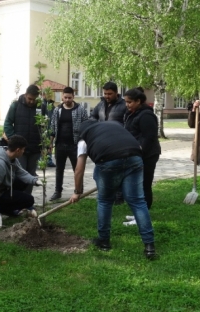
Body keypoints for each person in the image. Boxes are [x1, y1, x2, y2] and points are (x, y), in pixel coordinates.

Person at [69, 120, 156, 259]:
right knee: (138, 201)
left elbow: (79, 169)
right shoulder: (113, 126)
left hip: (108, 160)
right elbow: (136, 145)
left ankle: (104, 241)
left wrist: (77, 192)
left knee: (105, 201)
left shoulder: (83, 140)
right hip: (135, 156)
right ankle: (150, 246)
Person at [0, 135, 40, 228]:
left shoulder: (12, 158)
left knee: (22, 181)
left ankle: (10, 209)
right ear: (18, 150)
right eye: (23, 149)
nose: (24, 152)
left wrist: (34, 181)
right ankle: (4, 209)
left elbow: (21, 173)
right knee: (29, 200)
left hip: (2, 189)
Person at [122, 88, 161, 226]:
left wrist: (140, 152)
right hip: (136, 154)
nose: (127, 105)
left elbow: (148, 138)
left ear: (139, 101)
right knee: (137, 185)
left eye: (130, 102)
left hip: (147, 155)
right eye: (126, 102)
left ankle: (142, 217)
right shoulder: (132, 113)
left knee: (144, 185)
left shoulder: (146, 116)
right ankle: (137, 214)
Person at [3, 85, 45, 195]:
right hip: (19, 149)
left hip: (35, 147)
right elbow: (7, 123)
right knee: (19, 174)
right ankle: (17, 199)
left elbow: (46, 125)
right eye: (29, 99)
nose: (31, 101)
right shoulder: (16, 105)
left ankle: (27, 200)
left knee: (31, 175)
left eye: (34, 99)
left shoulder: (41, 107)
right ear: (25, 95)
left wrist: (44, 144)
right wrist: (13, 139)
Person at [91, 81, 128, 204]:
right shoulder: (101, 104)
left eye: (109, 94)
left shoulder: (123, 105)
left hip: (119, 143)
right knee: (106, 169)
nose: (107, 96)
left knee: (117, 170)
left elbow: (127, 123)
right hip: (103, 142)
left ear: (116, 93)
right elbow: (93, 117)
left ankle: (119, 196)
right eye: (105, 93)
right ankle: (107, 193)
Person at [49, 86, 88, 201]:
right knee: (59, 169)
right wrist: (50, 144)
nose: (67, 100)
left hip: (75, 145)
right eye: (65, 97)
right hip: (60, 144)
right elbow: (52, 127)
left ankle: (79, 191)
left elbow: (86, 125)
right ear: (62, 97)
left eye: (69, 97)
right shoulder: (58, 110)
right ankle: (57, 191)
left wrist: (84, 141)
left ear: (73, 97)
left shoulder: (80, 109)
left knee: (77, 169)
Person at [41, 91, 56, 167]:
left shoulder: (51, 105)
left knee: (49, 143)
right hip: (45, 127)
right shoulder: (42, 104)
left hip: (50, 127)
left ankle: (49, 159)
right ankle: (43, 160)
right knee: (44, 144)